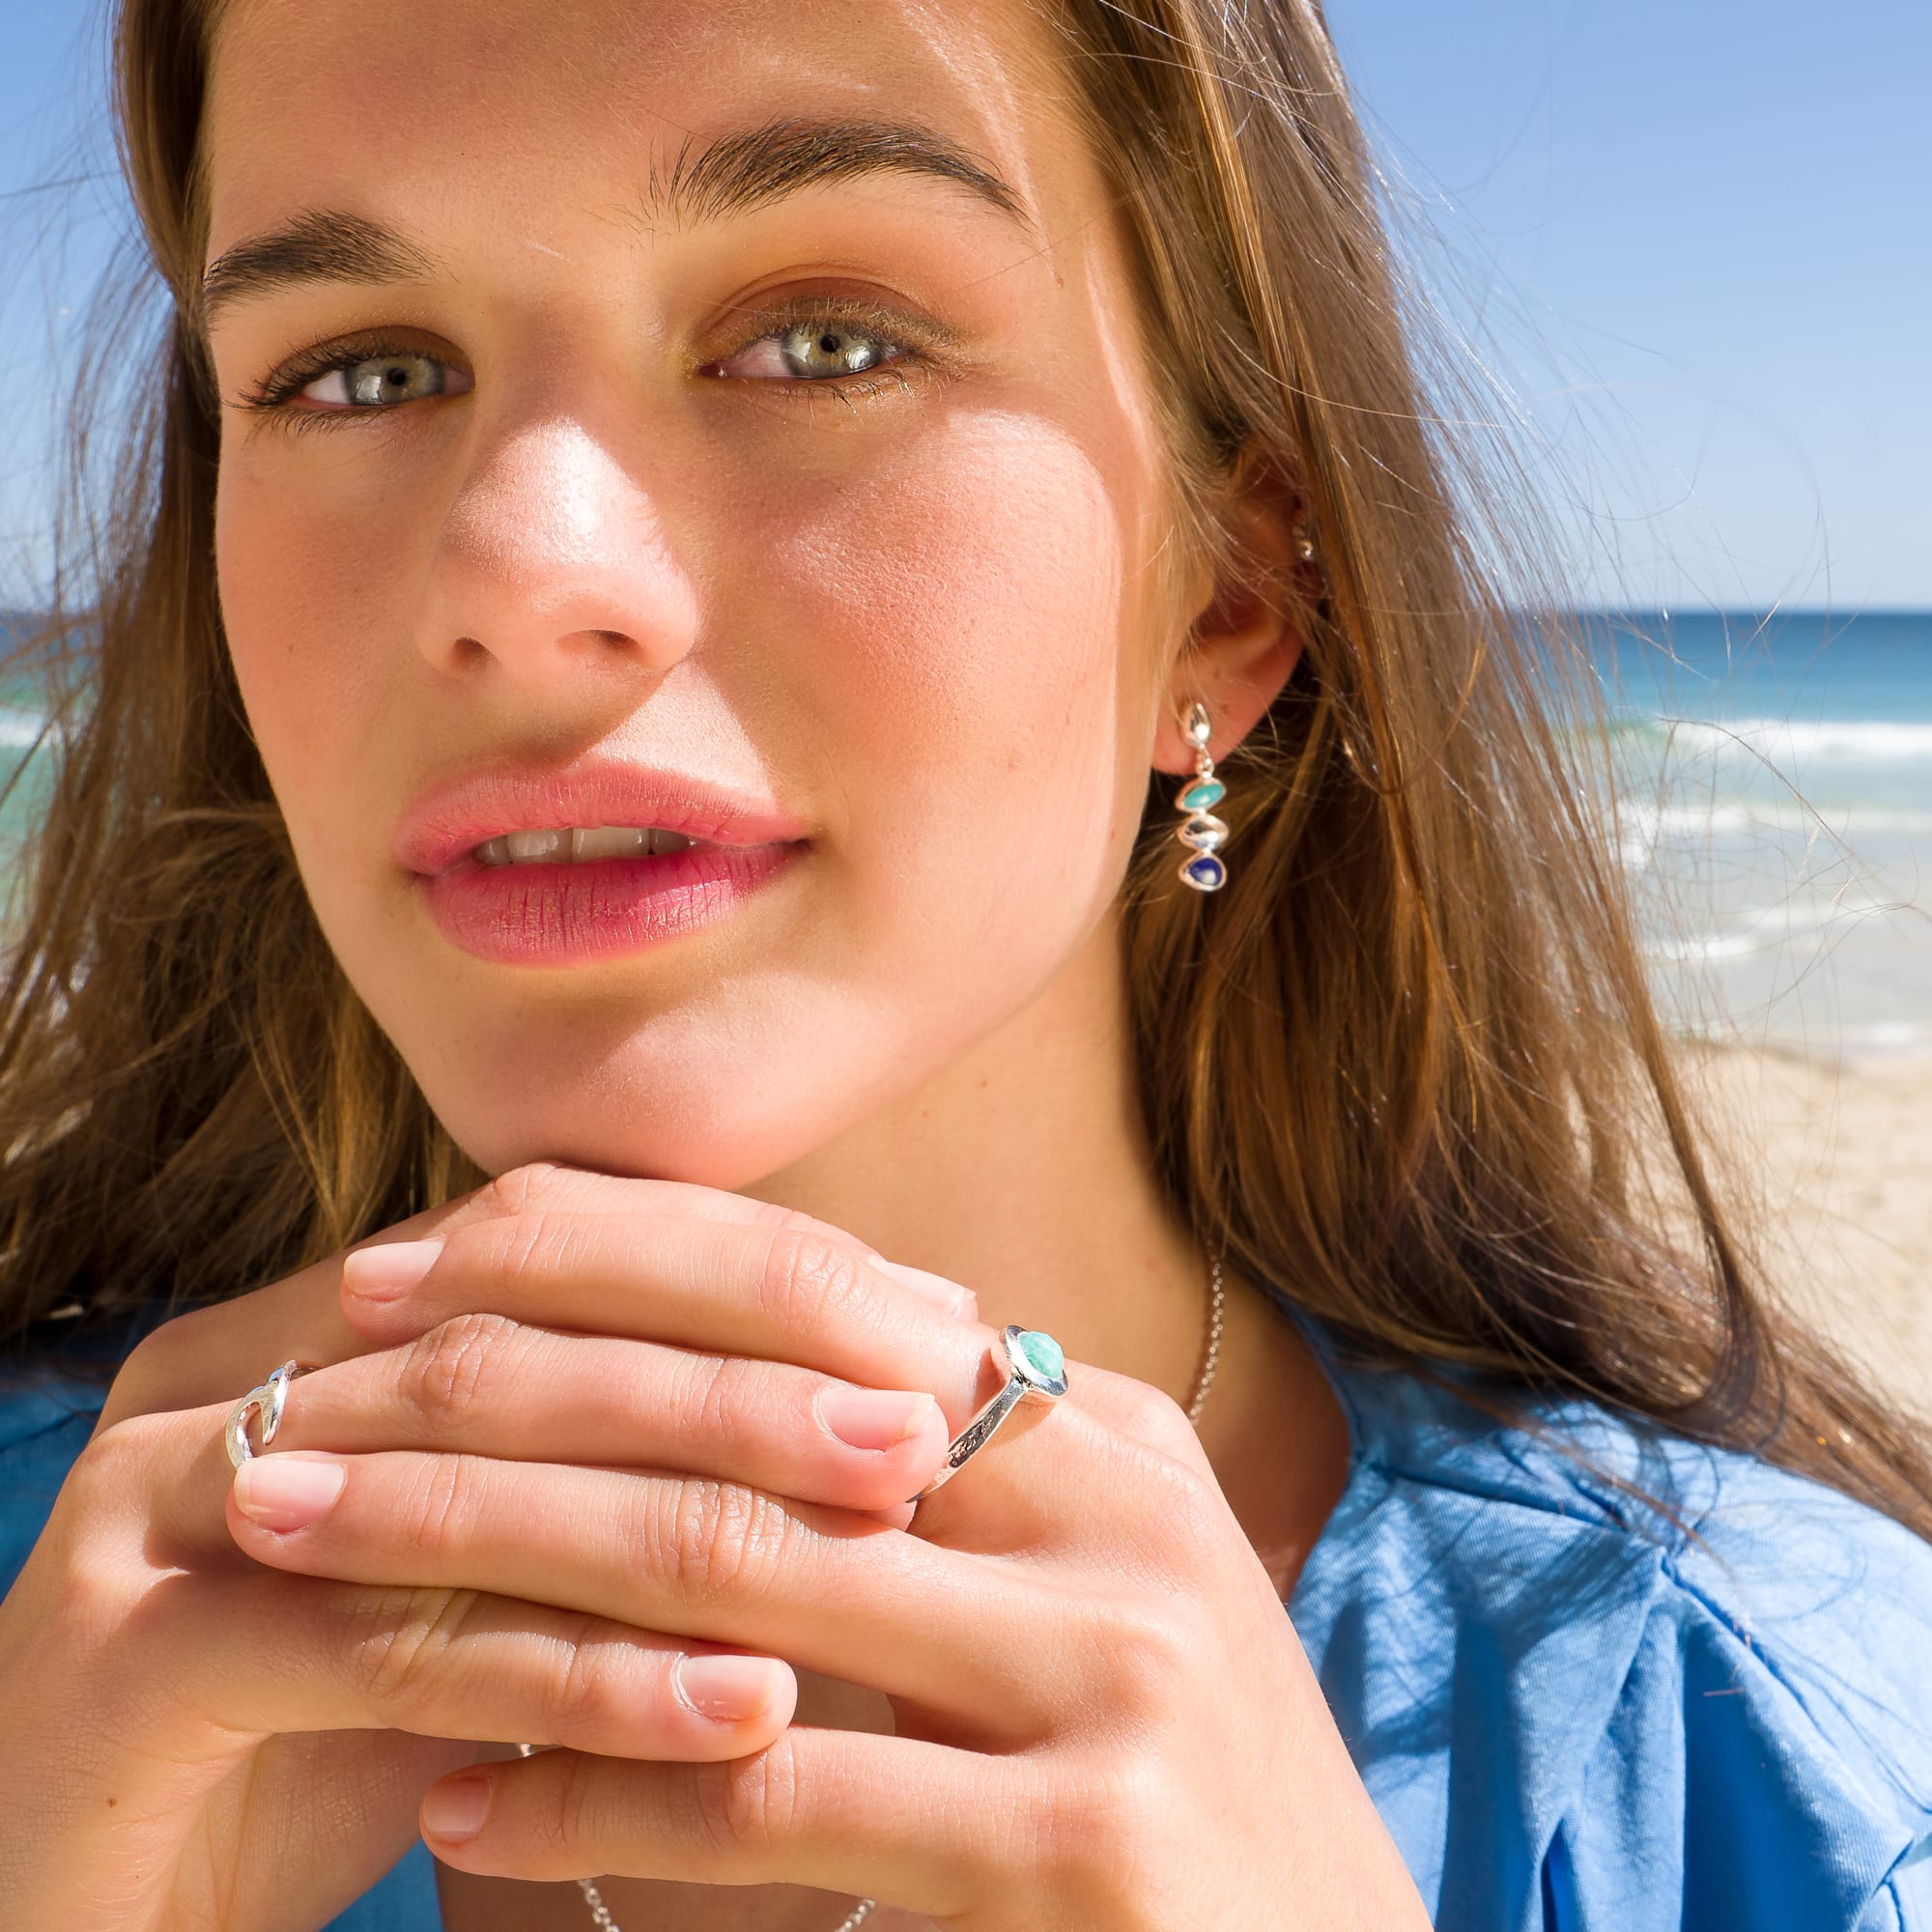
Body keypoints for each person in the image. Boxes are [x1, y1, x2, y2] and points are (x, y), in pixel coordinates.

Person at [0, 0, 1927, 1925]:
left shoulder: (1782, 1766)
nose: (520, 569)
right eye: (355, 372)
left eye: (823, 341)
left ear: (1230, 590)